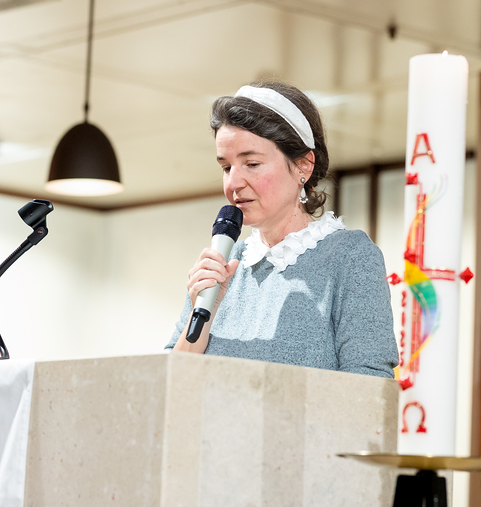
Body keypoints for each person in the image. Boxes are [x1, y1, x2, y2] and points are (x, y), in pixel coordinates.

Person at [166, 81, 398, 378]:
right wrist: (202, 313)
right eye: (226, 167)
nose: (233, 183)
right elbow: (170, 382)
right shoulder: (224, 261)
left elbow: (369, 385)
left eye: (251, 163)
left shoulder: (349, 256)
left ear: (303, 166)